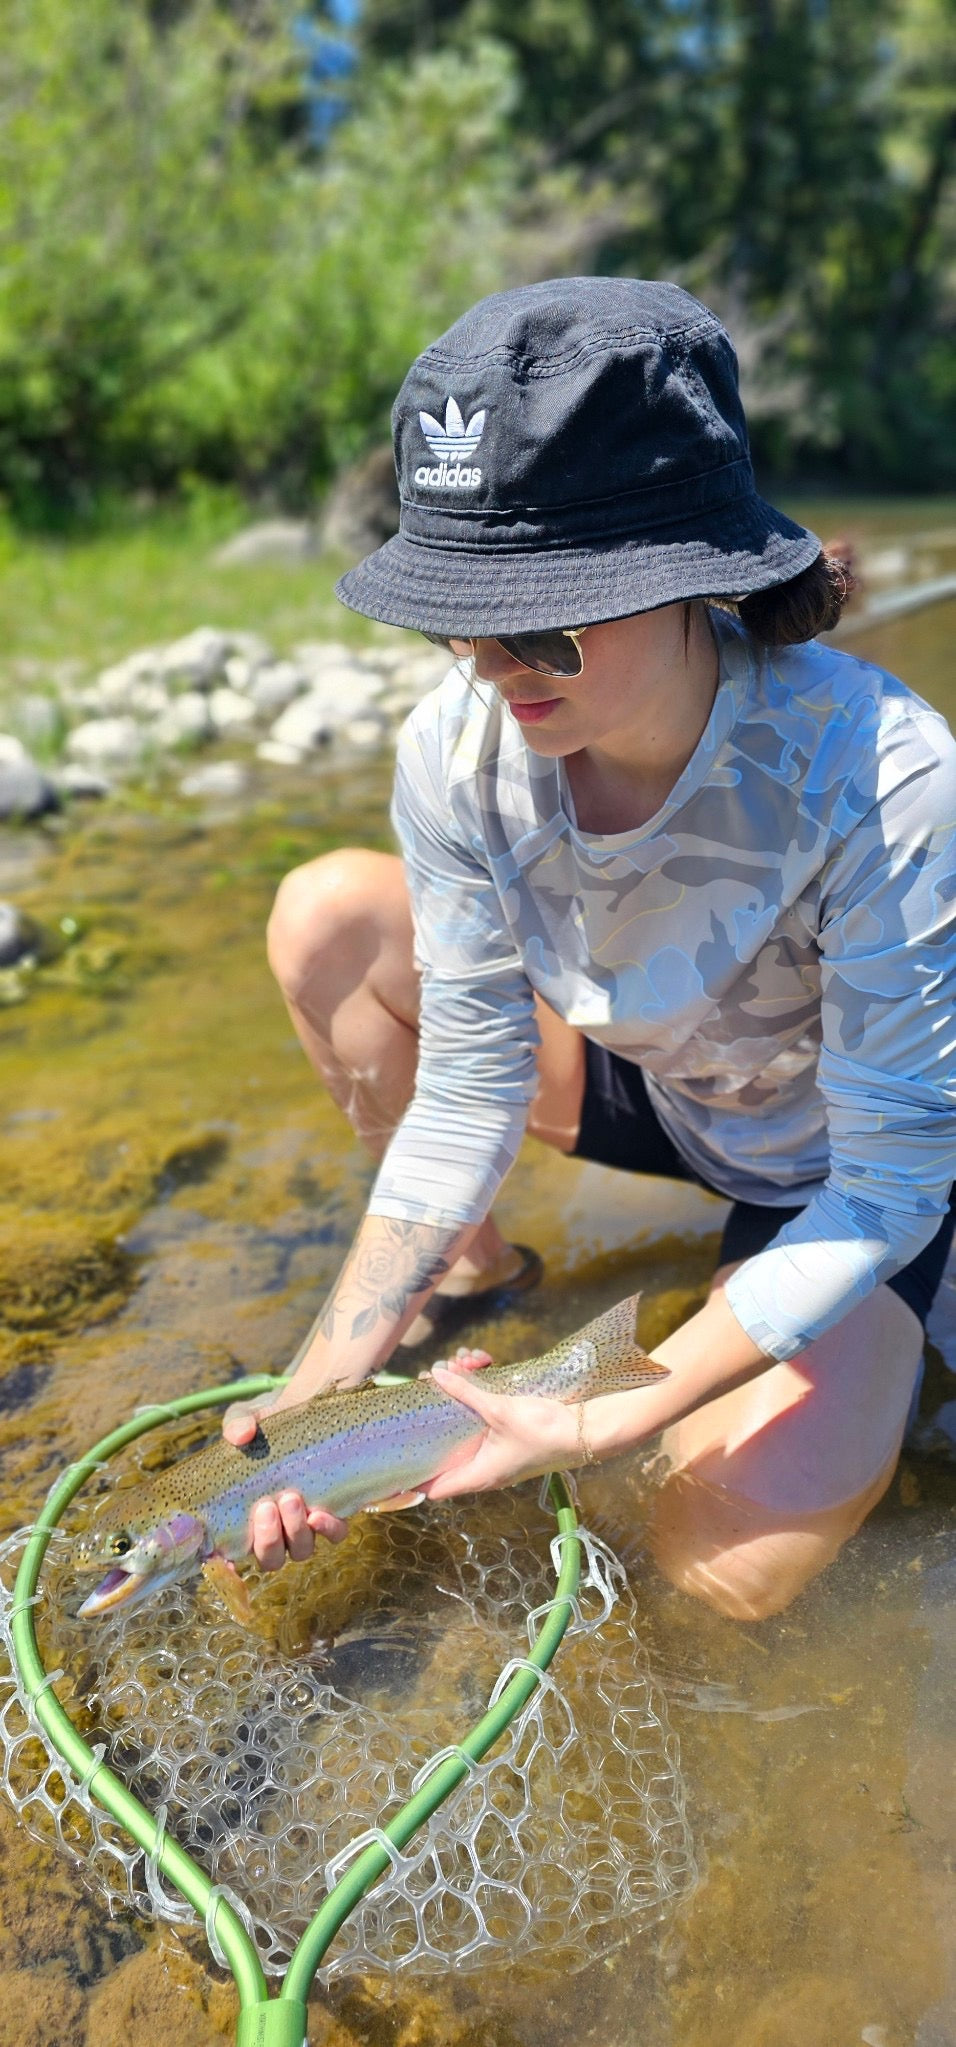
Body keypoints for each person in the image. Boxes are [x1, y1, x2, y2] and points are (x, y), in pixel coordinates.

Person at [223, 278, 956, 1621]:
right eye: (453, 614)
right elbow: (468, 1087)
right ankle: (474, 1276)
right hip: (660, 1082)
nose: (489, 666)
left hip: (855, 1166)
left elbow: (893, 1181)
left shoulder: (883, 773)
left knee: (720, 1566)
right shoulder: (457, 746)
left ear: (691, 574)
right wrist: (322, 1390)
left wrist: (616, 1414)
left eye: (540, 624)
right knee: (327, 913)